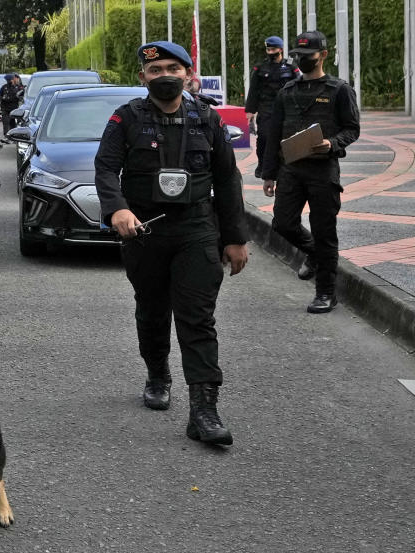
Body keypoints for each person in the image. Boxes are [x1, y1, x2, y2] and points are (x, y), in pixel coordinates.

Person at [94, 41, 249, 446]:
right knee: (152, 308)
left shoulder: (207, 119)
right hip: (143, 229)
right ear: (143, 77)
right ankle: (158, 374)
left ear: (188, 75)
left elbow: (228, 180)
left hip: (197, 228)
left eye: (173, 68)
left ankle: (204, 411)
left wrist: (235, 239)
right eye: (156, 69)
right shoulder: (125, 118)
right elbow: (106, 168)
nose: (165, 75)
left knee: (197, 317)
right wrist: (118, 210)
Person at [260, 30, 360, 313]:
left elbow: (352, 129)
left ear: (323, 55)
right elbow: (273, 134)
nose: (302, 61)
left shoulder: (339, 90)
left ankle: (326, 292)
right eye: (298, 57)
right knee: (283, 223)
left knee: (324, 231)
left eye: (309, 57)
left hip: (323, 170)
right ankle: (317, 254)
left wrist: (333, 143)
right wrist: (268, 174)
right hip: (291, 169)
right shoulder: (287, 91)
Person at [245, 36, 297, 178]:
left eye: (273, 49)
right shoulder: (260, 67)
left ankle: (285, 165)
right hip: (266, 108)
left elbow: (298, 86)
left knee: (286, 138)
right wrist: (250, 111)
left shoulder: (291, 66)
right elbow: (253, 90)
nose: (270, 52)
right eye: (268, 49)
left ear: (280, 49)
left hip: (286, 109)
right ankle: (262, 164)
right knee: (263, 138)